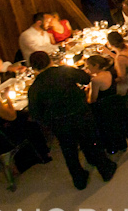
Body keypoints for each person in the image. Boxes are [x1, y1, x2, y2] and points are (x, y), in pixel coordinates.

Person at [27, 52, 117, 190]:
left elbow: (35, 113)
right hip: (79, 113)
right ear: (50, 60)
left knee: (69, 152)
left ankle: (79, 180)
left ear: (33, 67)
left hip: (59, 123)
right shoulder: (63, 71)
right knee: (92, 141)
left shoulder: (35, 87)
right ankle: (105, 170)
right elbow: (86, 78)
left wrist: (50, 122)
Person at [84, 55, 128, 154]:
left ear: (96, 65)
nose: (87, 69)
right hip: (115, 104)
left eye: (88, 66)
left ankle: (108, 146)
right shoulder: (108, 73)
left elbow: (92, 100)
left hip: (103, 109)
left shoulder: (95, 81)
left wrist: (87, 91)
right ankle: (121, 144)